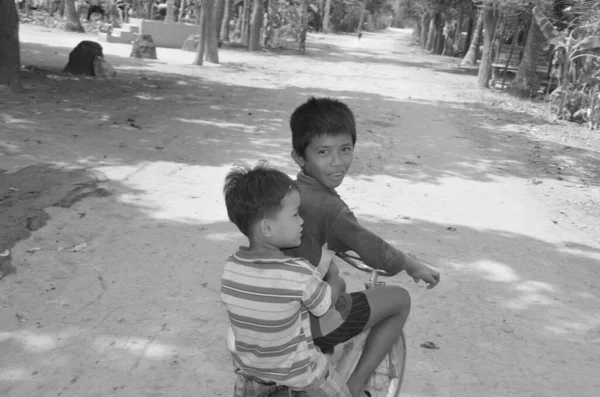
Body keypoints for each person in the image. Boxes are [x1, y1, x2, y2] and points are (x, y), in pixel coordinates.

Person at [278, 97, 441, 397]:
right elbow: (378, 254)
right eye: (323, 152)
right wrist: (412, 264)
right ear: (300, 157)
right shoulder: (330, 207)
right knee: (399, 300)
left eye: (345, 149)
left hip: (275, 315)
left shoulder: (284, 195)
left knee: (336, 282)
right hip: (311, 321)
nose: (337, 161)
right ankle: (354, 386)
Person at [221, 163, 353, 397]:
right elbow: (324, 304)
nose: (301, 221)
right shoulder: (297, 272)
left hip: (250, 375)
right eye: (294, 214)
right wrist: (333, 274)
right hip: (301, 375)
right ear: (268, 228)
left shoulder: (231, 267)